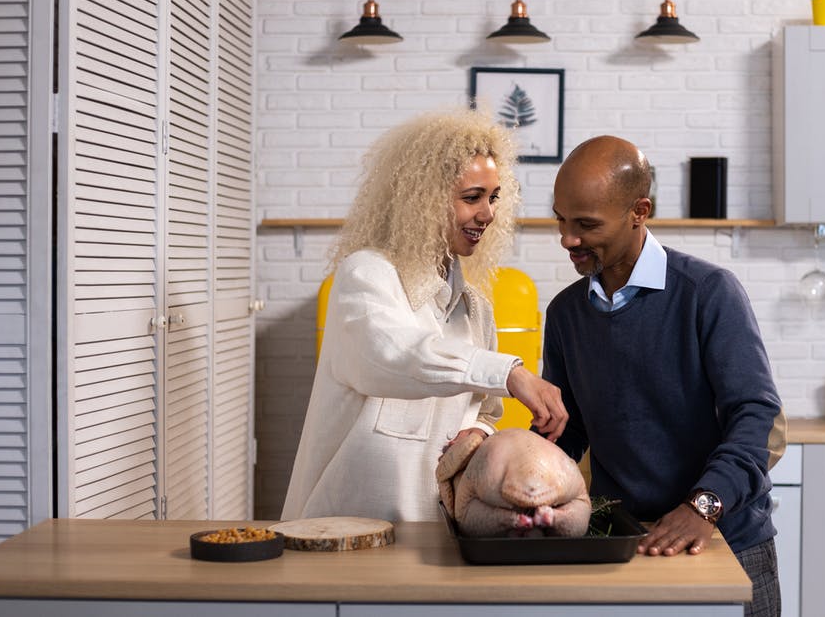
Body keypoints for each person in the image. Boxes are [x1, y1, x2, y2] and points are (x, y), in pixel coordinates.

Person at [282, 109, 567, 523]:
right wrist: (510, 374)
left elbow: (485, 411)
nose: (487, 214)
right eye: (472, 197)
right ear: (424, 198)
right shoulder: (366, 274)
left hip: (438, 532)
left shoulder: (476, 307)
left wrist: (479, 433)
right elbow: (393, 353)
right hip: (347, 527)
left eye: (493, 198)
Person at [543, 135, 786, 616]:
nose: (568, 239)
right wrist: (528, 480)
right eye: (561, 221)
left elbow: (756, 417)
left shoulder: (708, 293)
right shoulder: (565, 313)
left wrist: (704, 508)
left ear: (639, 211)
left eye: (586, 224)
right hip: (621, 544)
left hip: (727, 540)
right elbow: (568, 428)